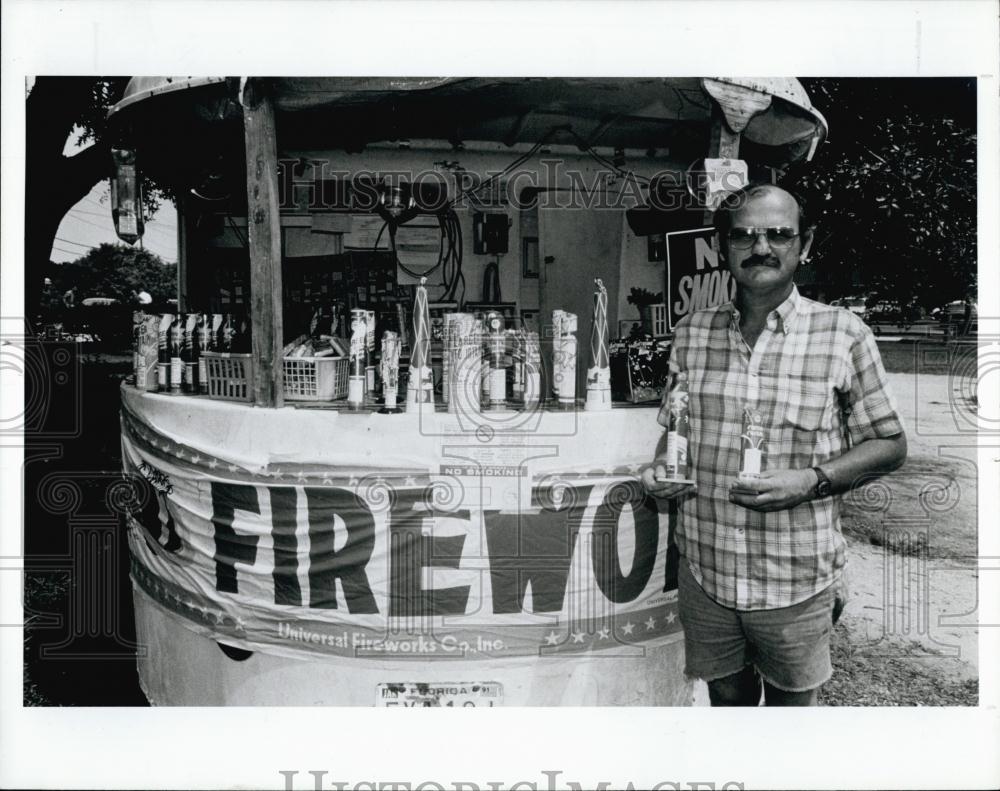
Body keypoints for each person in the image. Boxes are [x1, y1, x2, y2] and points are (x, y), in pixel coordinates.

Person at [642, 184, 907, 706]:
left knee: (791, 719)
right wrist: (661, 471)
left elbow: (890, 444)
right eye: (743, 235)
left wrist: (812, 481)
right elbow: (676, 433)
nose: (760, 247)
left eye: (778, 234)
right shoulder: (692, 332)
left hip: (796, 575)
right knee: (728, 702)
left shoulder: (843, 333)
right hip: (706, 567)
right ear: (722, 246)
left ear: (804, 244)